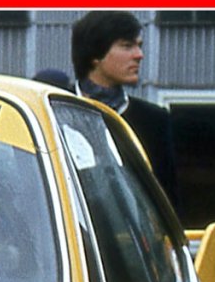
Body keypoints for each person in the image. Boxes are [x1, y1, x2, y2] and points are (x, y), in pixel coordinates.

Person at [71, 11, 180, 208]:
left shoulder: (154, 121)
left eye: (139, 46)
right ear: (95, 54)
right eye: (127, 46)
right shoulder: (52, 109)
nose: (139, 55)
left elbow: (167, 202)